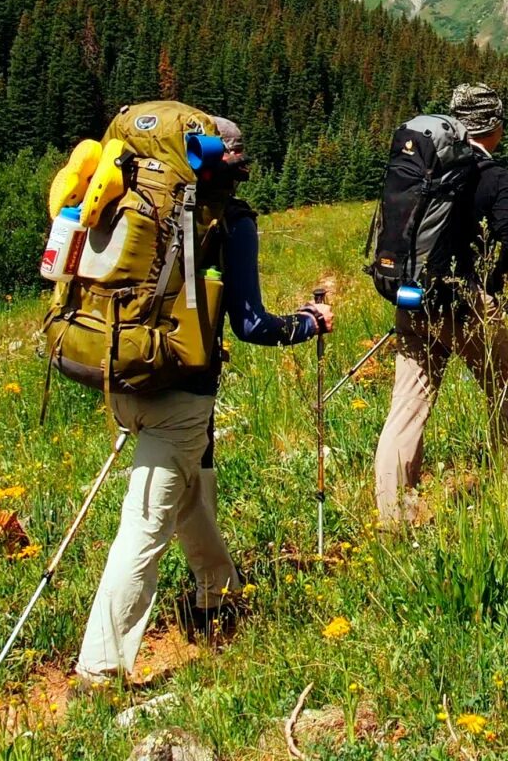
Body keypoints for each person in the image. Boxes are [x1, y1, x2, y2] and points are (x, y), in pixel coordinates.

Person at [77, 117, 333, 683]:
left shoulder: (138, 199)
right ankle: (100, 669)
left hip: (118, 374)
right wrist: (308, 323)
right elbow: (249, 323)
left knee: (189, 485)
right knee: (145, 527)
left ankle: (218, 594)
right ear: (230, 165)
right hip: (180, 393)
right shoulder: (229, 220)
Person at [374, 83, 508, 525]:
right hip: (467, 304)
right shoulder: (492, 174)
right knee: (503, 392)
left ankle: (392, 515)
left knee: (407, 406)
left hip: (414, 298)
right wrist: (494, 280)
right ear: (494, 125)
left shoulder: (428, 166)